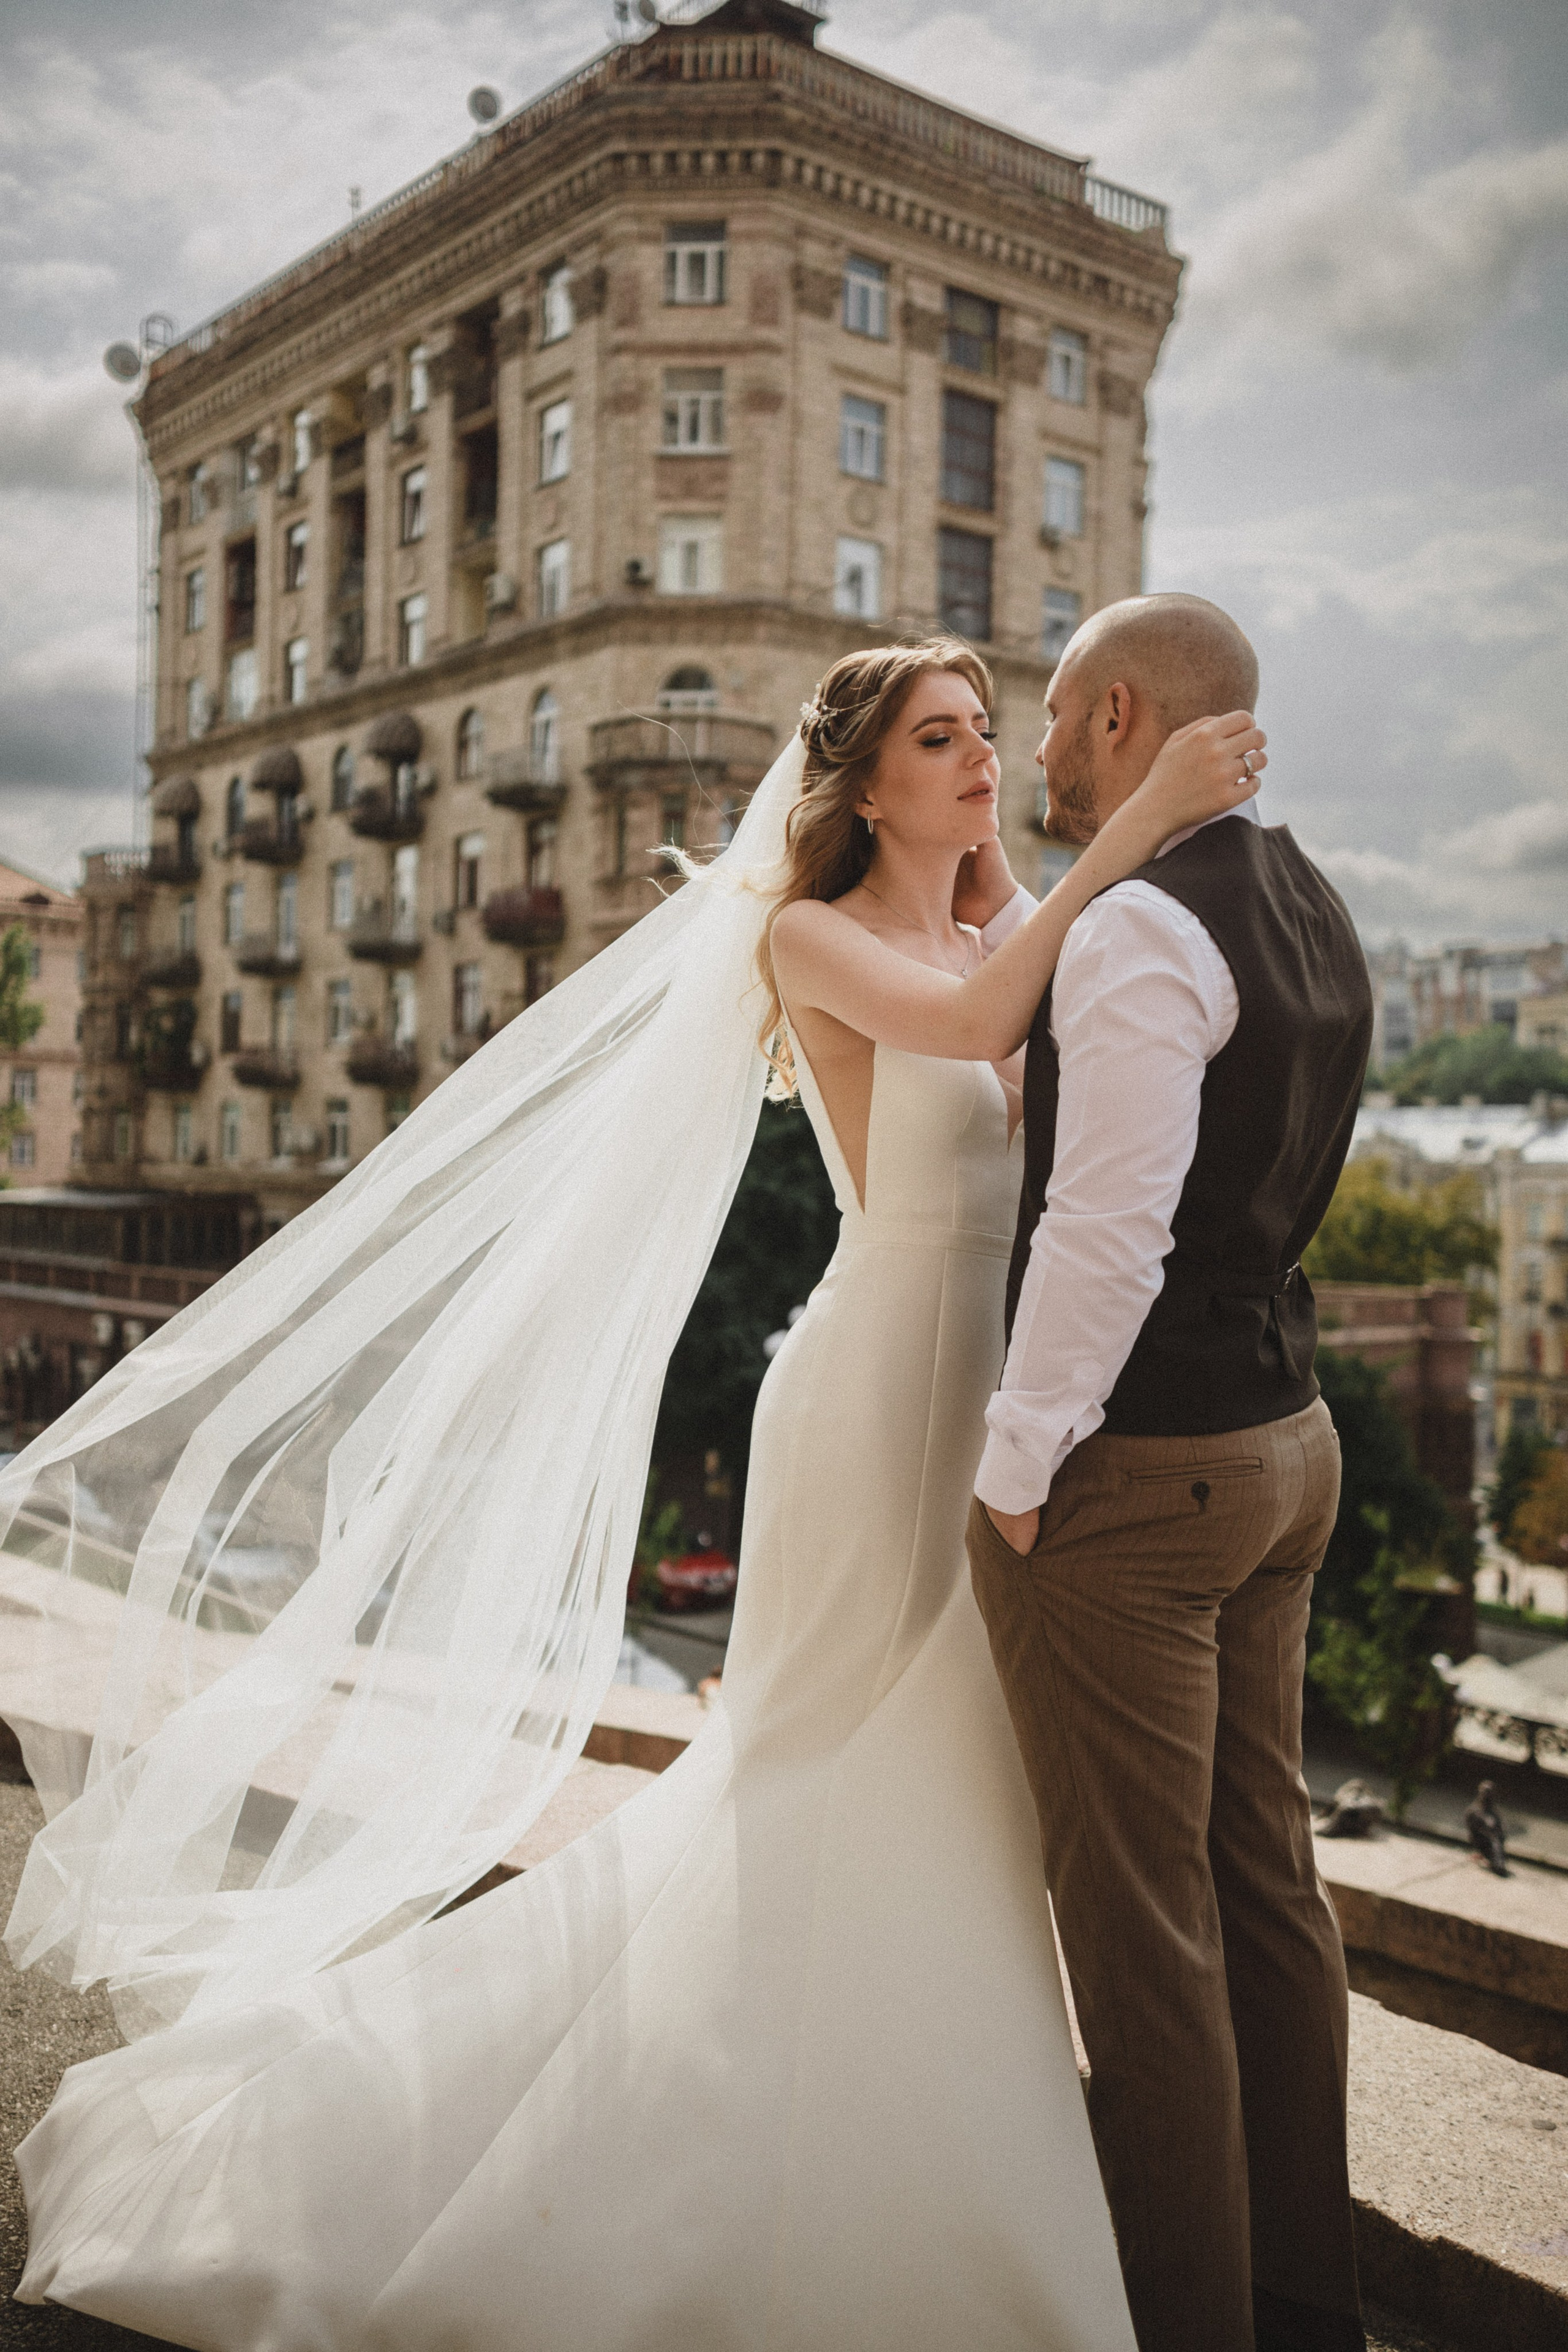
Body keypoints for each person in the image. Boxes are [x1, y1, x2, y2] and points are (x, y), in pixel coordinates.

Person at [9, 639, 1259, 2350]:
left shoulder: (993, 922)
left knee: (948, 1765)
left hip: (982, 1378)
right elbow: (978, 1028)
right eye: (944, 739)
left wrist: (1059, 873)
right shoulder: (812, 934)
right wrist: (1152, 817)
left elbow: (1044, 1039)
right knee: (842, 1765)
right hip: (882, 1383)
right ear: (866, 782)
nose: (981, 763)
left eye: (987, 735)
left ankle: (895, 2143)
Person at [965, 596, 1374, 2352]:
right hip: (1288, 1445)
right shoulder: (1311, 901)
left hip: (1147, 1479)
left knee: (1145, 1950)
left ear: (1121, 715)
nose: (1038, 755)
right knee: (1267, 1881)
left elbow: (1101, 1232)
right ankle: (1303, 2297)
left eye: (1053, 718)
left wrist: (1016, 1464)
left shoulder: (1135, 928)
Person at [1464, 1779, 1510, 1876]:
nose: (1486, 1796)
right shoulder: (1477, 1811)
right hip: (1486, 1842)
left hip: (1492, 1843)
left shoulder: (1491, 1813)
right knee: (1494, 1843)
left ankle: (1494, 1861)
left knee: (1495, 1842)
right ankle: (1493, 1860)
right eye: (1486, 1793)